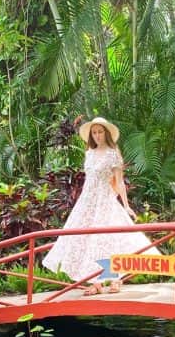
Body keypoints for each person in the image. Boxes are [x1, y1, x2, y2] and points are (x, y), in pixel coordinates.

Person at [42, 116, 157, 296]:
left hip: (105, 200)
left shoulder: (113, 154)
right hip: (87, 201)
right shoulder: (89, 153)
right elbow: (89, 179)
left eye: (100, 132)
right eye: (94, 132)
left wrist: (126, 205)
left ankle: (115, 279)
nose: (97, 135)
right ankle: (96, 282)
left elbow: (119, 183)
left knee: (108, 239)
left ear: (106, 133)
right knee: (87, 240)